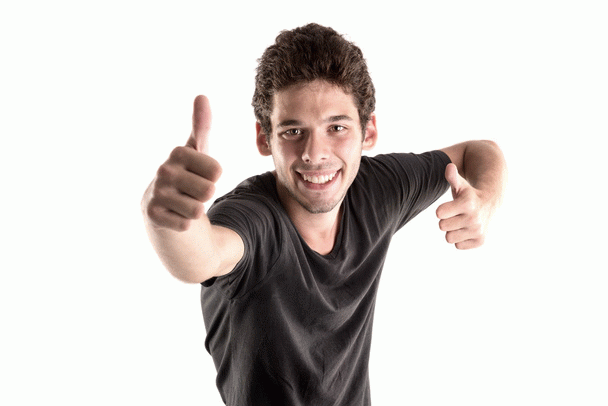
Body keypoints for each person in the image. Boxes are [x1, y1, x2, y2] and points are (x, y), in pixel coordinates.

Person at [142, 23, 507, 406]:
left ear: (368, 131)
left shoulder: (379, 188)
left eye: (336, 127)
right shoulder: (252, 217)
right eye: (293, 131)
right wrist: (164, 216)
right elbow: (201, 256)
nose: (315, 153)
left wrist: (486, 198)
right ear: (265, 138)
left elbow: (479, 151)